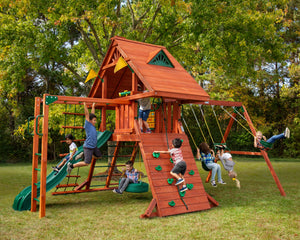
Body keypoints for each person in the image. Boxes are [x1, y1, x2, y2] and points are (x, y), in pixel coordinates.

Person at [67, 102, 101, 174]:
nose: (95, 121)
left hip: (93, 146)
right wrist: (85, 105)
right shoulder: (88, 125)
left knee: (98, 156)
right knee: (86, 163)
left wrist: (93, 106)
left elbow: (92, 114)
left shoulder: (92, 125)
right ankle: (71, 166)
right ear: (90, 120)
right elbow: (87, 114)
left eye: (95, 120)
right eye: (94, 120)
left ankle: (83, 154)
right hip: (88, 147)